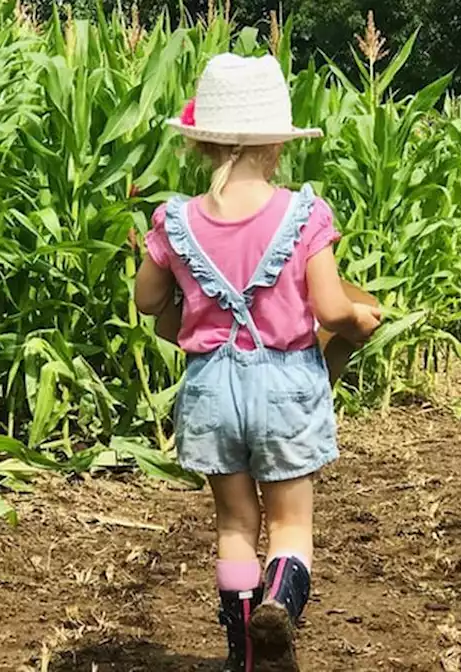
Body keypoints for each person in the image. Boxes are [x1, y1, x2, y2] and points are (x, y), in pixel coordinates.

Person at [133, 53, 382, 672]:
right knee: (292, 525)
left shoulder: (177, 219)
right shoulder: (302, 215)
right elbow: (328, 305)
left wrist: (185, 314)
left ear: (205, 144)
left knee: (235, 526)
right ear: (277, 142)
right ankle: (278, 604)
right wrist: (359, 322)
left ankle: (244, 655)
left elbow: (147, 302)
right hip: (285, 384)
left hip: (210, 388)